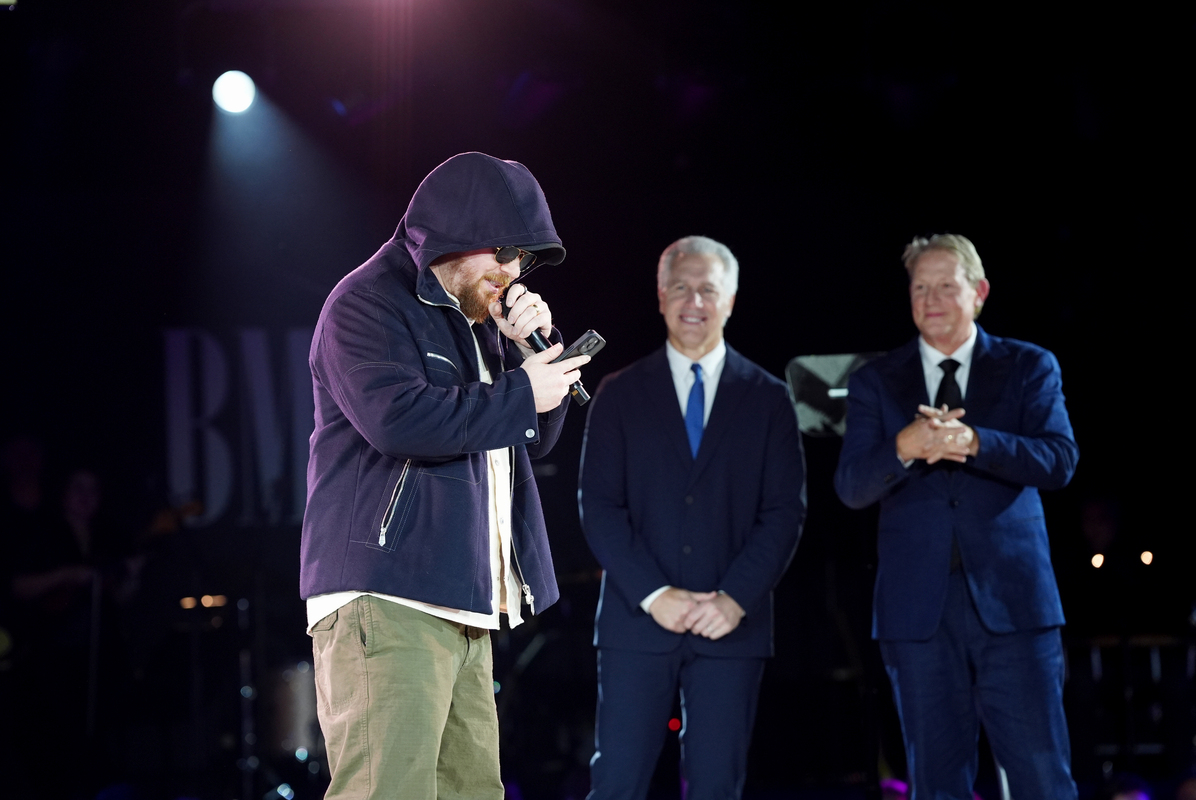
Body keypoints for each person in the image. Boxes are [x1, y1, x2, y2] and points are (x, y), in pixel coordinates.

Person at [300, 152, 591, 799]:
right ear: (457, 232)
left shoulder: (470, 321)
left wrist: (526, 358)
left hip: (461, 599)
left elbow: (521, 439)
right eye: (507, 252)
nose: (514, 274)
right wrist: (520, 392)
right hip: (389, 595)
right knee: (388, 790)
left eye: (525, 260)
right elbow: (399, 421)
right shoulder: (365, 305)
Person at [834, 234, 1079, 799]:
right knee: (936, 781)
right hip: (917, 613)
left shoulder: (1027, 365)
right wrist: (905, 446)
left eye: (947, 285)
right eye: (920, 287)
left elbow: (1060, 459)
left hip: (1014, 606)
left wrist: (974, 441)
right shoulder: (876, 380)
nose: (932, 298)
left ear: (980, 292)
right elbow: (851, 487)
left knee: (1041, 775)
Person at [578, 235, 806, 800]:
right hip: (637, 621)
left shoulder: (771, 398)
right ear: (660, 297)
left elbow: (784, 512)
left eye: (708, 289)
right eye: (680, 287)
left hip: (733, 625)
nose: (694, 301)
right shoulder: (618, 393)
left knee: (716, 786)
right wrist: (657, 593)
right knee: (617, 782)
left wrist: (733, 599)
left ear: (730, 299)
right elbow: (599, 506)